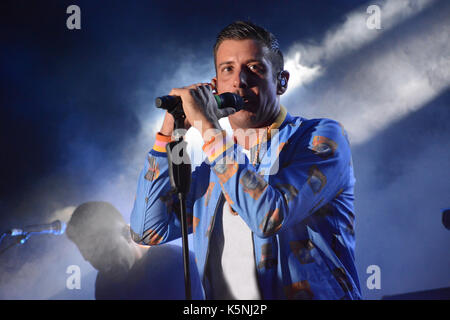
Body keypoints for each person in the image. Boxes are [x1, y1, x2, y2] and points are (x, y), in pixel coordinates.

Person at [130, 21, 361, 300]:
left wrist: (206, 125)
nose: (240, 80)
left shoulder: (319, 138)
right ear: (215, 87)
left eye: (255, 67)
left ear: (281, 81)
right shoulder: (212, 171)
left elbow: (269, 216)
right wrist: (169, 133)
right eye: (228, 69)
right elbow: (147, 231)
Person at [66, 201, 203, 299]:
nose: (105, 265)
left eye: (109, 252)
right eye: (93, 259)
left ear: (127, 233)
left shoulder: (178, 263)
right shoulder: (105, 284)